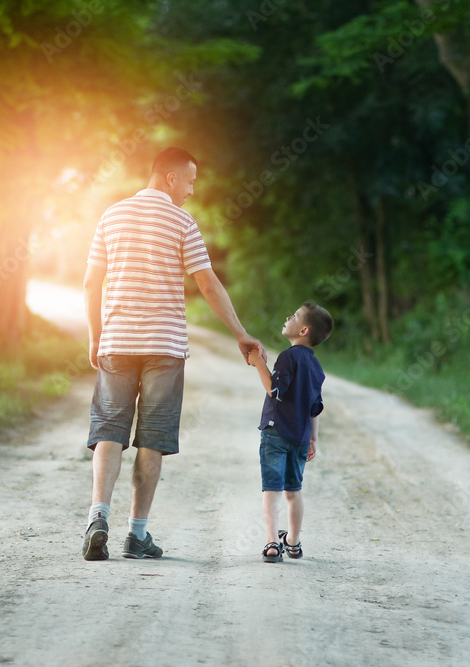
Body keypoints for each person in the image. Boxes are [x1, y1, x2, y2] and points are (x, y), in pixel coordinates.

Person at [81, 147, 265, 561]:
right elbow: (207, 283)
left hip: (117, 342)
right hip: (164, 347)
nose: (191, 191)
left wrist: (96, 338)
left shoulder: (111, 216)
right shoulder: (182, 222)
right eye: (190, 182)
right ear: (170, 178)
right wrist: (240, 333)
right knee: (152, 438)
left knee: (109, 429)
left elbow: (91, 283)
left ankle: (98, 517)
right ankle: (136, 535)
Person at [246, 301, 332, 563]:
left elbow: (274, 389)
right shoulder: (316, 367)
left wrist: (259, 363)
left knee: (271, 490)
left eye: (294, 316)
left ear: (303, 330)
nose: (288, 317)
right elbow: (314, 408)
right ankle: (293, 543)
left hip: (276, 433)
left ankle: (273, 544)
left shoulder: (287, 357)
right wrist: (313, 439)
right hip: (300, 437)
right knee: (294, 491)